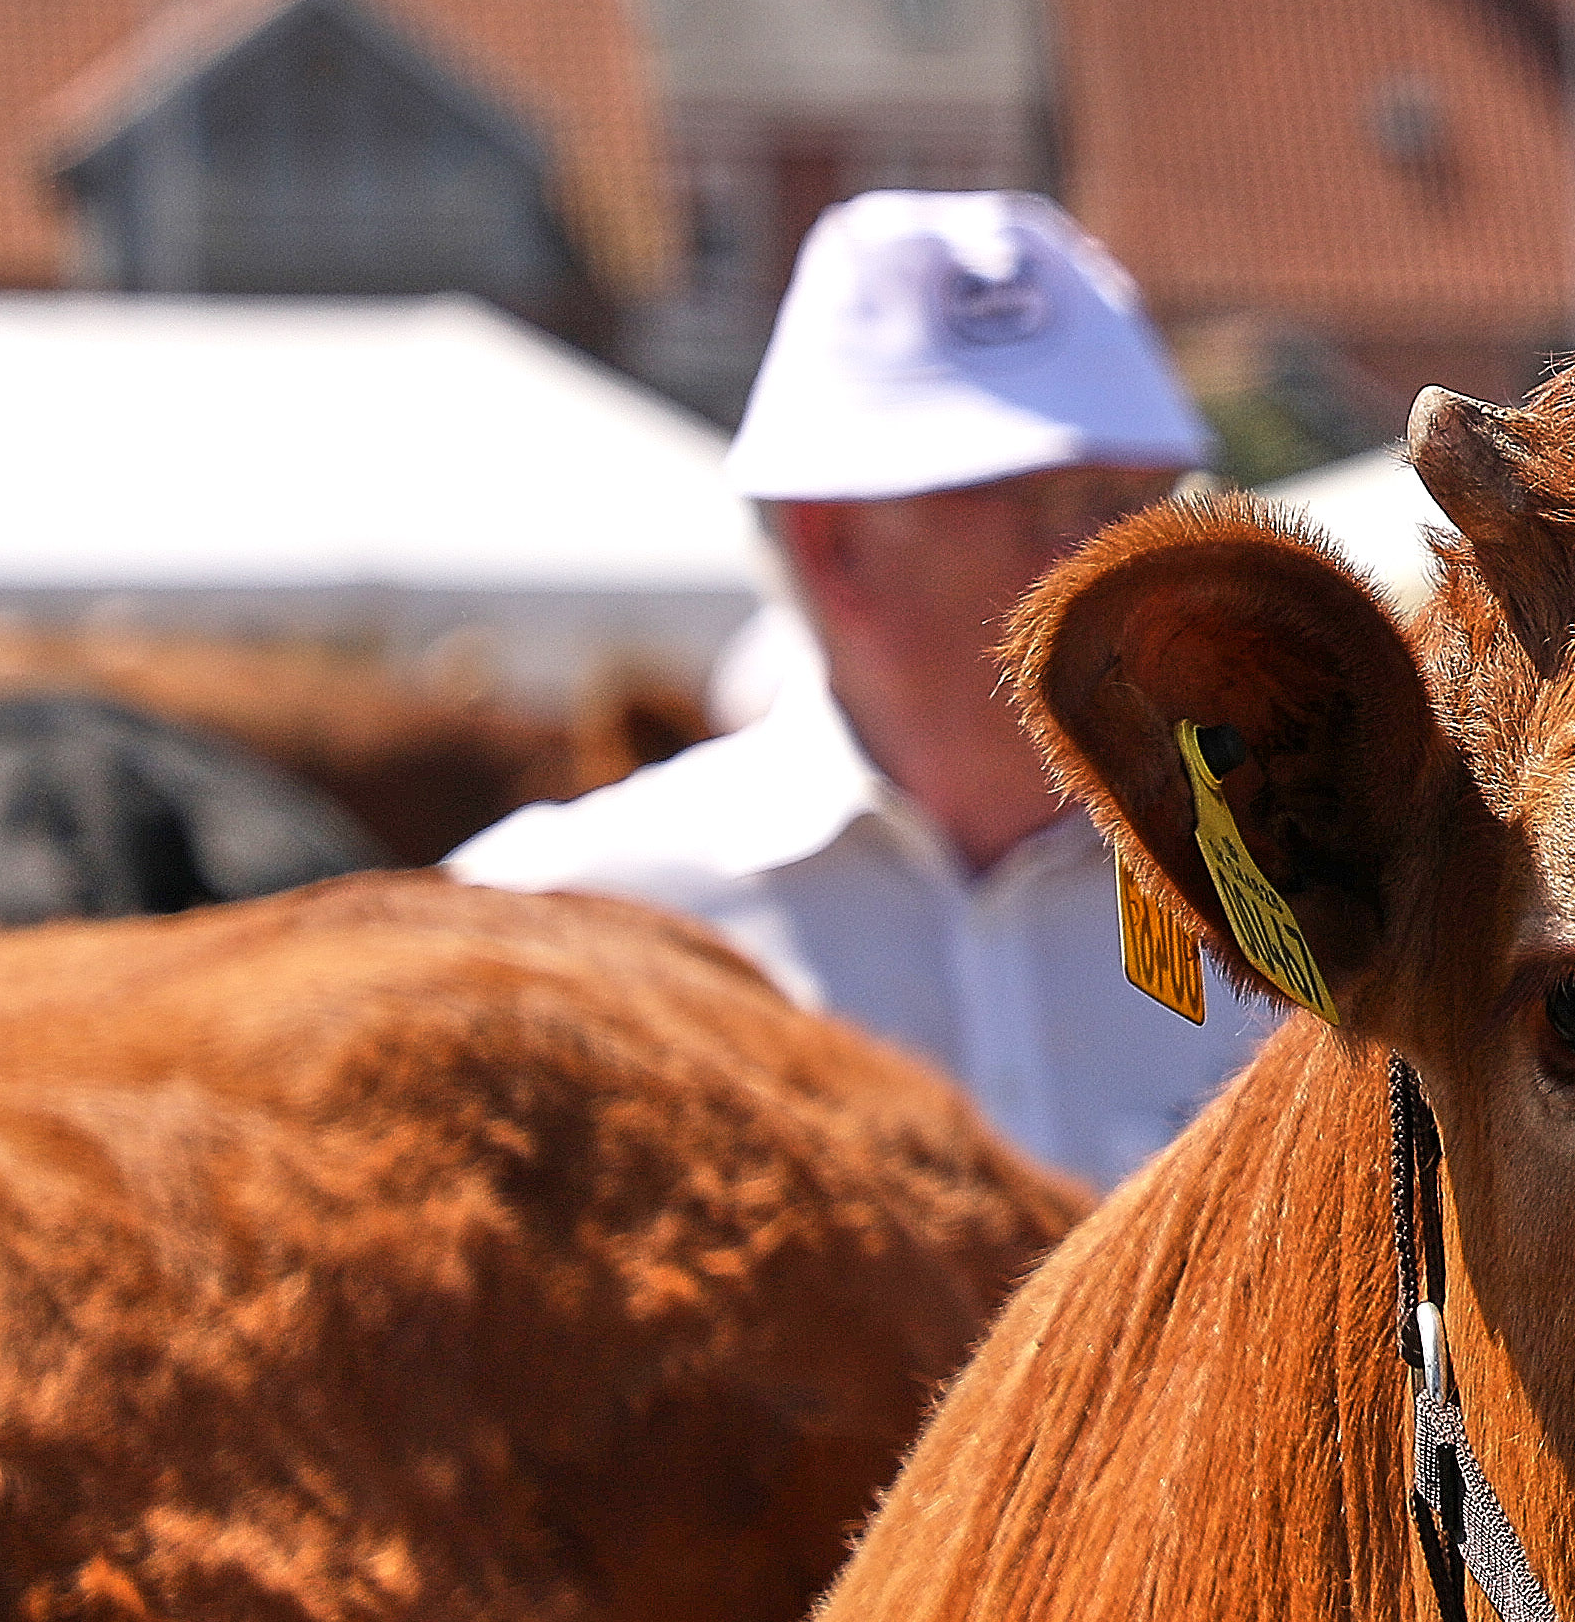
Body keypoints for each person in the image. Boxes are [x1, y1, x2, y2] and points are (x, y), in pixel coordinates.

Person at [453, 192, 1275, 1188]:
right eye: (1060, 506)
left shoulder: (1308, 923)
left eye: (1145, 504)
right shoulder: (548, 932)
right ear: (833, 546)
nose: (1130, 562)